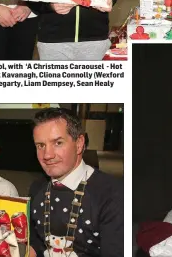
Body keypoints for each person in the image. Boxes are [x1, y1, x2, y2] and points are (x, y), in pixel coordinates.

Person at [27, 108, 123, 256]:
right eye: (40, 145)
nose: (47, 155)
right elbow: (35, 244)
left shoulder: (112, 194)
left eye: (58, 143)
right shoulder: (37, 188)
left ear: (79, 144)